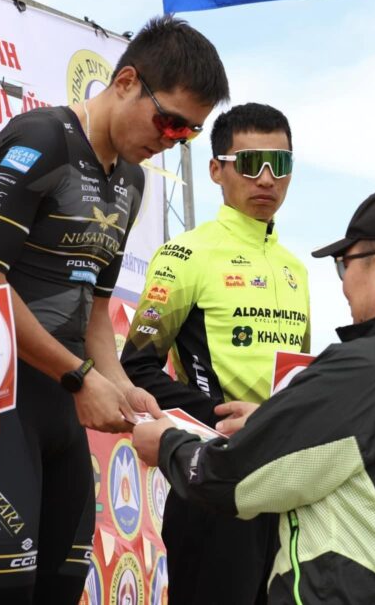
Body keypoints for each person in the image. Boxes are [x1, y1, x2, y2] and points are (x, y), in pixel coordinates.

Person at [0, 15, 230, 605]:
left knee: (61, 589)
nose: (172, 139)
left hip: (63, 407)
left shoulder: (132, 181)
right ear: (126, 82)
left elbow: (96, 311)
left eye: (189, 132)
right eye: (169, 121)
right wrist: (79, 377)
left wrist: (121, 385)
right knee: (0, 595)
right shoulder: (39, 139)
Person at [133, 186, 375, 605]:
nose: (344, 286)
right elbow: (372, 458)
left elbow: (234, 478)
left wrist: (168, 445)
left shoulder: (363, 368)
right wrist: (273, 422)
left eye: (345, 265)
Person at [121, 103, 311, 604]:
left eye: (280, 164)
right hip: (212, 477)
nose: (266, 178)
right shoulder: (185, 255)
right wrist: (223, 424)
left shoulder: (296, 269)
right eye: (249, 163)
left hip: (281, 484)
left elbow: (296, 379)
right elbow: (137, 368)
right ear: (215, 170)